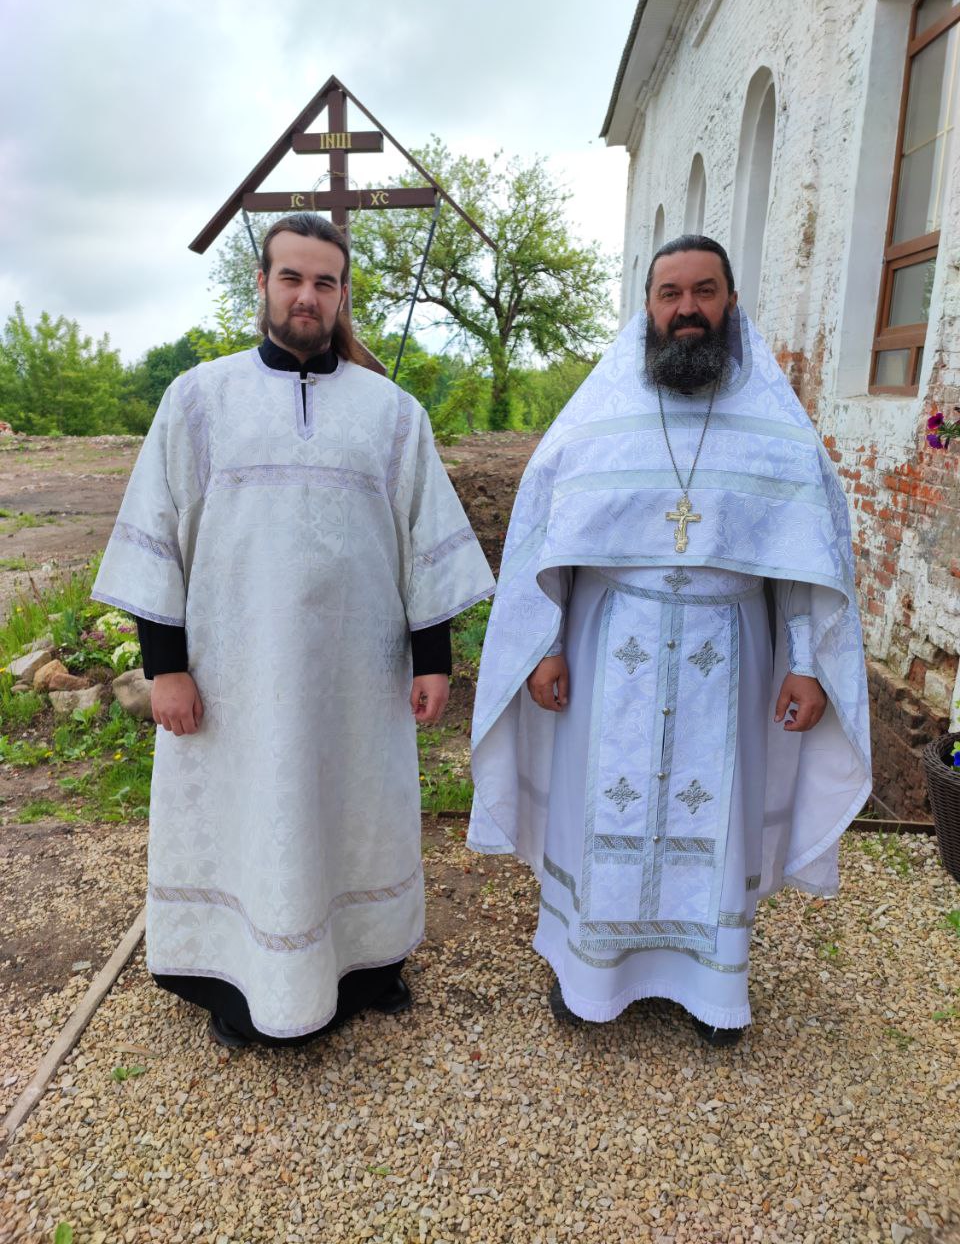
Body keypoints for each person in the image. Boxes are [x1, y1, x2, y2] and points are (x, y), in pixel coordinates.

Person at [94, 213, 494, 1047]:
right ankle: (238, 982)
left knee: (360, 812)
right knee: (247, 815)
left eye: (324, 282)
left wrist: (434, 660)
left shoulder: (391, 413)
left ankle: (368, 966)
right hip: (235, 677)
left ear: (342, 295)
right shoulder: (199, 400)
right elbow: (155, 535)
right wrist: (166, 667)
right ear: (263, 285)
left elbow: (425, 541)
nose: (307, 296)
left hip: (357, 676)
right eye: (291, 278)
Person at [467, 235, 871, 1046]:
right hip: (611, 646)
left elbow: (806, 561)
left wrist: (806, 662)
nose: (687, 309)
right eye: (670, 294)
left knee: (716, 813)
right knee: (600, 806)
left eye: (704, 291)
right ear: (647, 307)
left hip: (729, 651)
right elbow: (549, 537)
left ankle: (709, 988)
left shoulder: (775, 427)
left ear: (730, 303)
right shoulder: (600, 417)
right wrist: (545, 644)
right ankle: (592, 978)